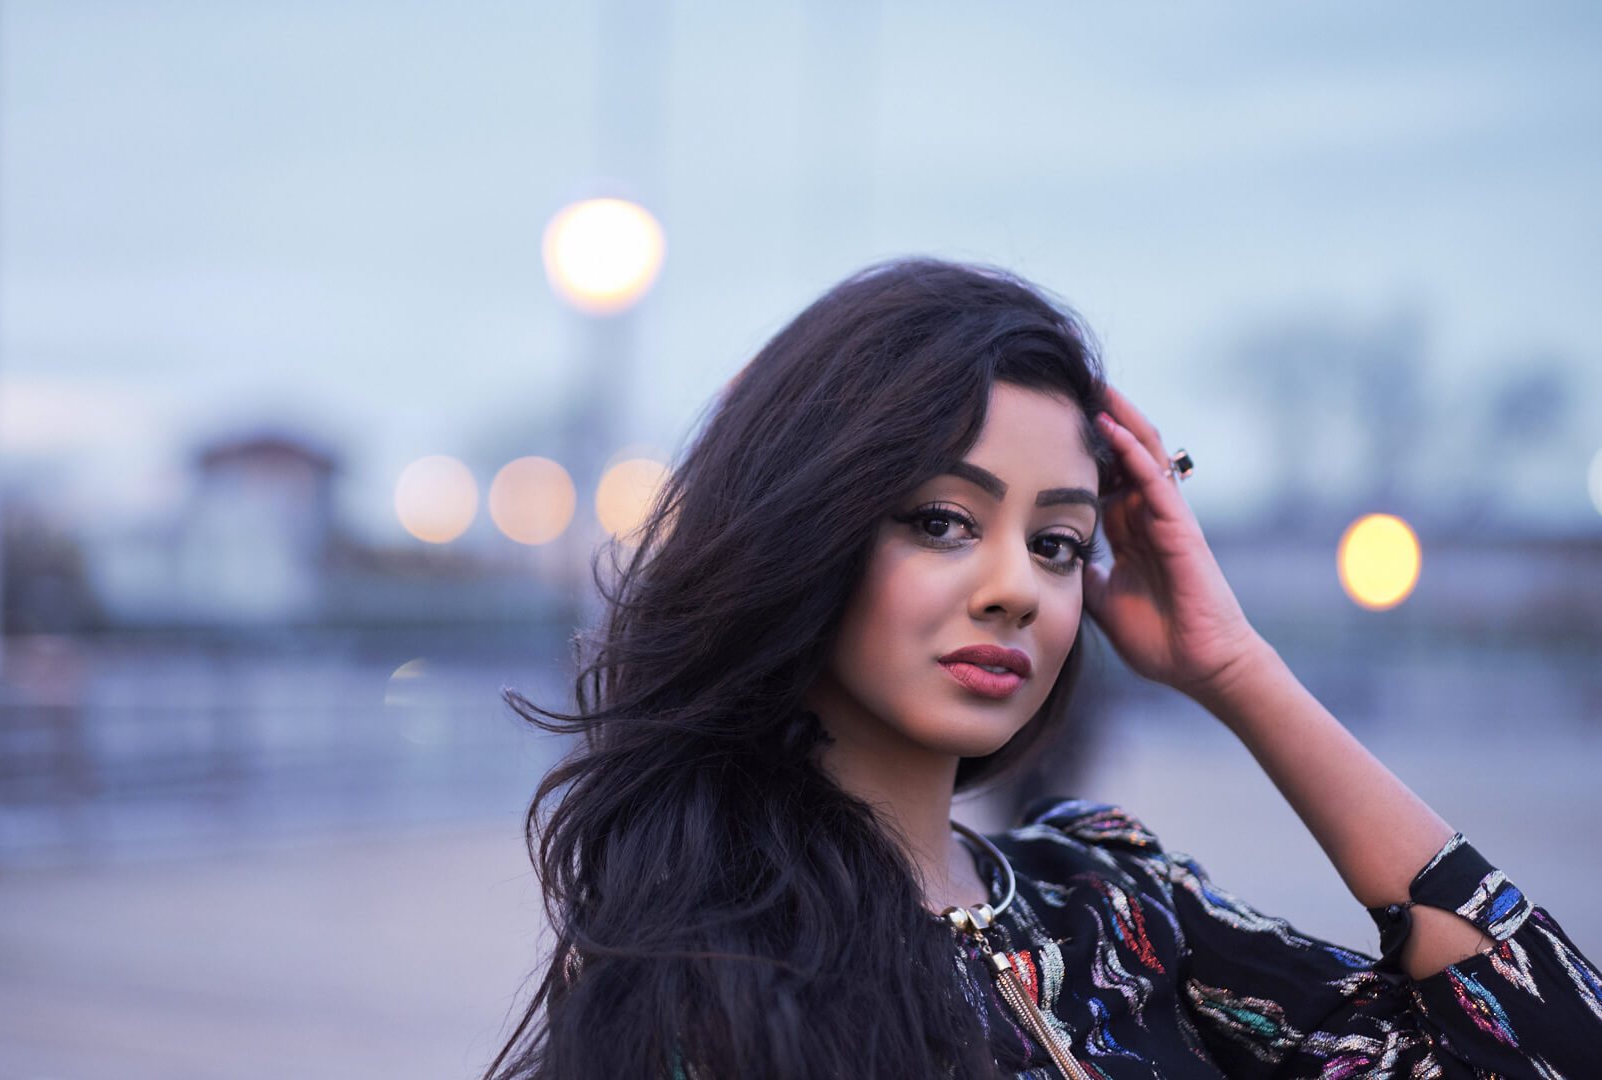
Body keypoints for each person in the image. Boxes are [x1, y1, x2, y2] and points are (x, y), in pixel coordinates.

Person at [485, 259, 1601, 1079]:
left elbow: (1551, 1049)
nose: (1018, 585)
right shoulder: (696, 965)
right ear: (806, 533)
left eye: (1058, 542)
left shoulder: (1116, 904)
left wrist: (1236, 669)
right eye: (941, 519)